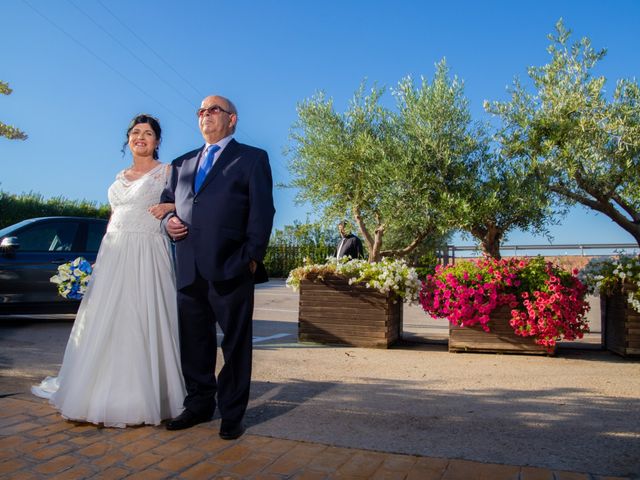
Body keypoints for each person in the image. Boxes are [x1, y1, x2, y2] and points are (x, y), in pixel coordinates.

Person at [31, 114, 186, 427]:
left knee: (142, 317)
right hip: (113, 252)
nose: (140, 137)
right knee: (105, 320)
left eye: (148, 133)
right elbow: (115, 215)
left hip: (147, 252)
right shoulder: (120, 175)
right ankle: (96, 391)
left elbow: (189, 201)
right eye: (135, 132)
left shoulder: (168, 172)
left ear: (157, 141)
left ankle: (143, 397)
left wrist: (170, 208)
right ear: (128, 139)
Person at [160, 95, 275, 440]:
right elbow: (166, 205)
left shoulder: (252, 158)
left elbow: (262, 212)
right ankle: (198, 405)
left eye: (214, 110)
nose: (206, 116)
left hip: (231, 264)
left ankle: (232, 413)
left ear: (232, 119)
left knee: (236, 344)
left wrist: (251, 257)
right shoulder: (181, 164)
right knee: (194, 341)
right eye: (201, 111)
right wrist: (167, 221)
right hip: (188, 266)